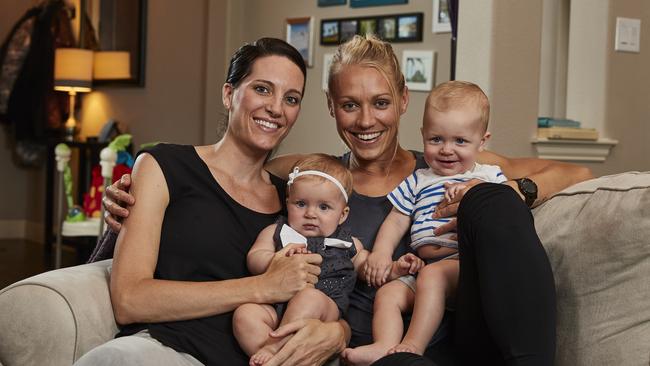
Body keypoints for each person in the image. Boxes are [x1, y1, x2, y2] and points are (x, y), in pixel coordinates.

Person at [98, 35, 593, 366]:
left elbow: (576, 171)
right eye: (349, 105)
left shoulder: (448, 161)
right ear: (332, 108)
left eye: (380, 103)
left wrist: (514, 189)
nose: (365, 121)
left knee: (489, 198)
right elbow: (226, 175)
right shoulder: (311, 178)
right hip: (379, 356)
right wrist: (131, 197)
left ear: (402, 101)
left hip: (466, 335)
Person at [74, 38, 351, 366]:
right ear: (228, 93)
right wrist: (261, 286)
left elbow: (340, 277)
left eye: (291, 98)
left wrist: (340, 332)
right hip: (169, 350)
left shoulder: (295, 199)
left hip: (262, 356)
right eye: (262, 89)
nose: (276, 108)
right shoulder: (164, 166)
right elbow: (128, 299)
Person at [344, 80, 506, 364]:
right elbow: (397, 219)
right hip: (426, 269)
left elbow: (509, 213)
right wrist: (381, 253)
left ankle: (413, 346)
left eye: (460, 141)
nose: (446, 150)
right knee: (389, 293)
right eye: (436, 139)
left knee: (433, 277)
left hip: (465, 268)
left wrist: (477, 192)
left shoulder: (487, 176)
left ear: (483, 141)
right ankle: (384, 345)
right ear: (423, 136)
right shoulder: (419, 180)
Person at [234, 154, 423, 365]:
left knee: (308, 297)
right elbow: (254, 257)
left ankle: (276, 350)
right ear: (288, 203)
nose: (311, 214)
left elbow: (369, 267)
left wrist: (396, 268)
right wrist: (275, 260)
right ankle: (277, 358)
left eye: (323, 207)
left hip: (323, 309)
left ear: (342, 215)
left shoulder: (346, 243)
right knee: (245, 314)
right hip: (276, 307)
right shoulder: (278, 232)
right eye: (301, 204)